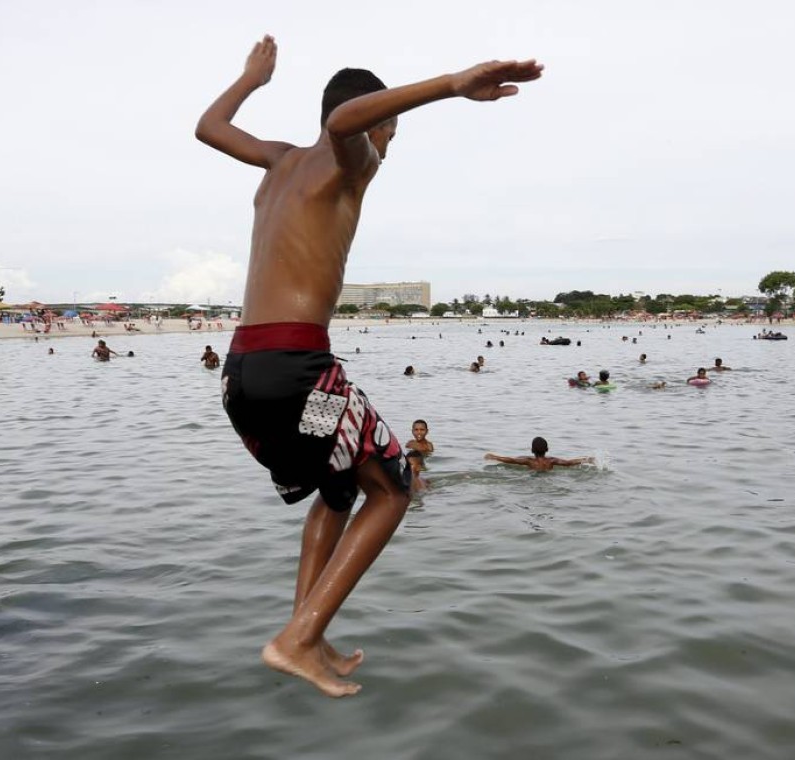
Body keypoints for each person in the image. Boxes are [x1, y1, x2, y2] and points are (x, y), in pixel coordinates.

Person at [197, 34, 542, 697]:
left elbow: (209, 128)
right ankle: (295, 639)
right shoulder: (350, 160)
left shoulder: (278, 161)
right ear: (382, 120)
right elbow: (341, 123)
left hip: (247, 372)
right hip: (298, 367)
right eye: (391, 131)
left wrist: (250, 79)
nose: (389, 145)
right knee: (393, 486)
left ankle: (309, 631)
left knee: (338, 485)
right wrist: (451, 83)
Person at [484, 437, 593, 472]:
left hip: (532, 478)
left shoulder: (529, 461)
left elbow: (511, 460)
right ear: (547, 449)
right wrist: (587, 459)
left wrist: (494, 457)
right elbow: (569, 463)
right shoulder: (552, 461)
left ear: (532, 450)